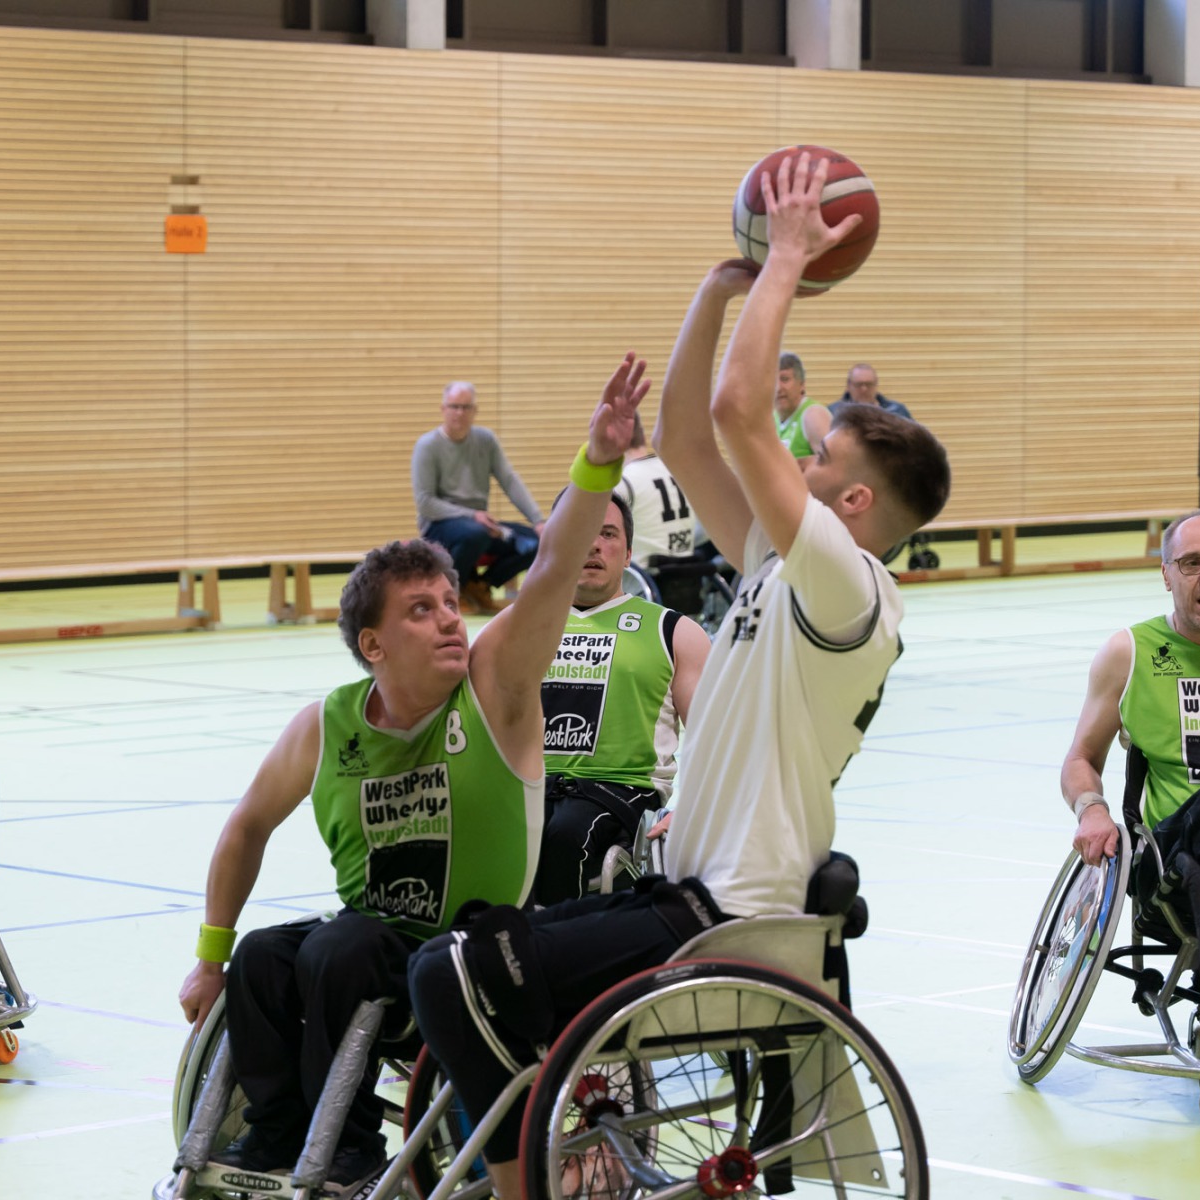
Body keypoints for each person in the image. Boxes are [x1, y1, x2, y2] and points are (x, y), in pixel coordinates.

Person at [405, 151, 951, 1199]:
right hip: (689, 890)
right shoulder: (784, 569)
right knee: (452, 959)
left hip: (734, 912)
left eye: (819, 458)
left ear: (853, 507)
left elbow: (743, 412)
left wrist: (786, 256)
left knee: (456, 974)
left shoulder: (850, 586)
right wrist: (720, 285)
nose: (797, 459)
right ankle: (557, 1159)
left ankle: (538, 1178)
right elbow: (691, 438)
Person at [174, 357, 651, 1193]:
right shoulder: (326, 725)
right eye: (421, 610)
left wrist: (598, 462)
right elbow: (245, 828)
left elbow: (547, 573)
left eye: (450, 603)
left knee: (341, 946)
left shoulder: (495, 688)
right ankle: (277, 1137)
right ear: (374, 645)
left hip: (470, 951)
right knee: (261, 957)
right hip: (368, 942)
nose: (449, 622)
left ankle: (353, 1146)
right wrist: (209, 957)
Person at [1065, 509, 1200, 1068]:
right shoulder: (1129, 653)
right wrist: (1092, 810)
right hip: (1181, 855)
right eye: (1190, 563)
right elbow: (1081, 759)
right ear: (1166, 574)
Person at [534, 486, 710, 904]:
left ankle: (557, 943)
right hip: (531, 787)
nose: (593, 544)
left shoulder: (675, 632)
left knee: (566, 835)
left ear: (629, 553)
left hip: (621, 791)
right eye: (580, 530)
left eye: (608, 534)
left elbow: (717, 737)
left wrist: (696, 809)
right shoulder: (517, 627)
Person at [412, 381, 547, 613]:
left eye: (466, 407)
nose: (460, 413)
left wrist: (538, 521)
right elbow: (425, 503)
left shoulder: (486, 440)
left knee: (538, 542)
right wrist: (473, 515)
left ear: (475, 411)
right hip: (440, 524)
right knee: (476, 533)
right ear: (443, 409)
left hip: (480, 524)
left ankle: (480, 585)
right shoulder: (428, 446)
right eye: (454, 406)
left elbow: (509, 480)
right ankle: (454, 590)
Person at [614, 414, 706, 564]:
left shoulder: (623, 481)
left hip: (643, 574)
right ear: (642, 436)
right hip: (689, 570)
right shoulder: (676, 469)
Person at [774, 350, 829, 459]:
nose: (778, 388)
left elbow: (834, 465)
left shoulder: (813, 416)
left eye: (785, 379)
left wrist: (799, 465)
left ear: (802, 384)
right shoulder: (770, 418)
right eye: (772, 381)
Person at [833, 362, 915, 421]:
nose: (864, 389)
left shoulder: (897, 411)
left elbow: (913, 437)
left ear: (876, 385)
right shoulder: (833, 412)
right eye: (858, 384)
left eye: (869, 384)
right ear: (848, 386)